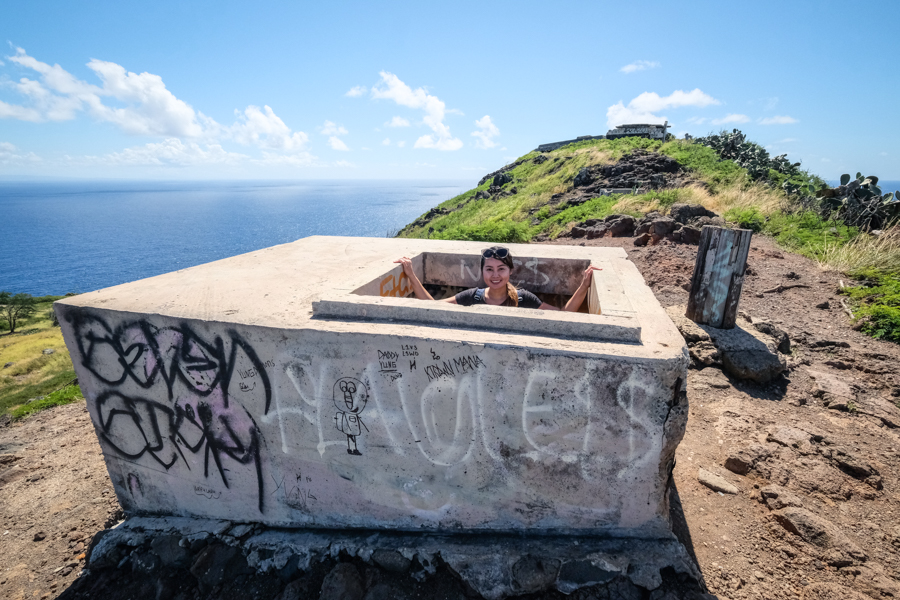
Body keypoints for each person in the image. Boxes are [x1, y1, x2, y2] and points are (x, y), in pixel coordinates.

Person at [394, 246, 601, 312]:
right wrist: (411, 274)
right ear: (482, 272)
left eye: (501, 269)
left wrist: (584, 284)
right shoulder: (472, 297)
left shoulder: (523, 299)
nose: (495, 275)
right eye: (490, 269)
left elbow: (564, 315)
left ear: (510, 271)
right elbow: (433, 308)